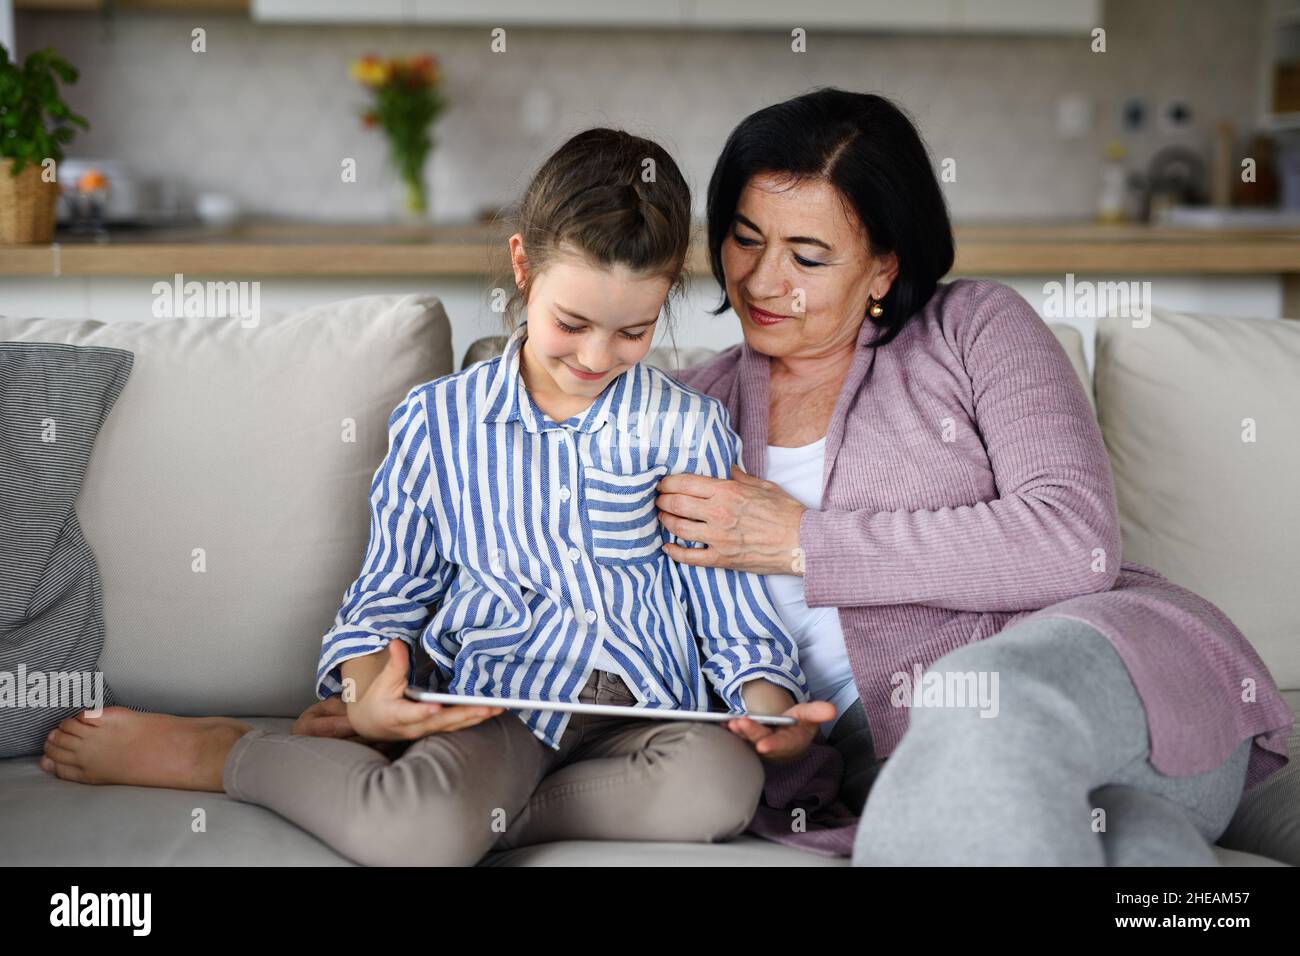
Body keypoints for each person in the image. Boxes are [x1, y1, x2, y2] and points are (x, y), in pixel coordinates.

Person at [38, 127, 836, 866]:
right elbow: (384, 598)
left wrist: (770, 715)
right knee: (414, 834)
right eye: (573, 322)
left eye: (633, 332)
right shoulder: (438, 423)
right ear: (523, 268)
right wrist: (368, 695)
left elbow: (730, 615)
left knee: (722, 789)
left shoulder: (688, 428)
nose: (597, 356)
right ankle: (224, 754)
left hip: (652, 718)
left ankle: (437, 808)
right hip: (498, 709)